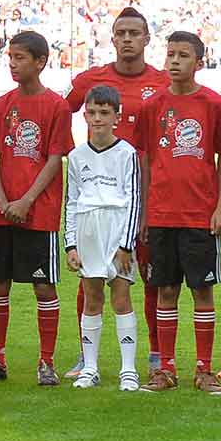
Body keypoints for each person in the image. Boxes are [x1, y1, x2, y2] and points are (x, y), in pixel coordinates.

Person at [64, 7, 171, 377]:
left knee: (148, 278)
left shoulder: (160, 81)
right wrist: (67, 152)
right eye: (120, 33)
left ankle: (157, 355)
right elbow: (60, 112)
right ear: (112, 38)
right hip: (97, 197)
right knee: (91, 277)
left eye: (134, 33)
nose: (127, 39)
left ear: (146, 39)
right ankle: (85, 357)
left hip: (148, 197)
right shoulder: (90, 80)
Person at [0, 31, 73, 386]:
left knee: (43, 287)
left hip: (39, 213)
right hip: (0, 212)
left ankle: (46, 362)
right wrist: (2, 202)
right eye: (10, 57)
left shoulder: (57, 106)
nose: (12, 64)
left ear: (40, 61)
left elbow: (55, 158)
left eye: (20, 58)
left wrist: (27, 200)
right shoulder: (2, 104)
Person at [138, 31, 221, 394]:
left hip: (199, 215)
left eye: (183, 55)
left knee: (202, 291)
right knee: (165, 290)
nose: (174, 61)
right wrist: (146, 210)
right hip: (162, 214)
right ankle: (165, 369)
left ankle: (204, 369)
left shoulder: (213, 104)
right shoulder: (153, 106)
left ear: (199, 61)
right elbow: (146, 160)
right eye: (170, 54)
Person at [63, 85, 142, 391]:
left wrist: (126, 244)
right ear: (84, 115)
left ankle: (128, 369)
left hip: (117, 229)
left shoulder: (126, 153)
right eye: (92, 113)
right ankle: (90, 367)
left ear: (116, 117)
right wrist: (70, 244)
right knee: (92, 298)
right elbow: (71, 201)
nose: (97, 119)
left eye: (104, 113)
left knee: (121, 298)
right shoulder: (76, 155)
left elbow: (133, 198)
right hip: (87, 230)